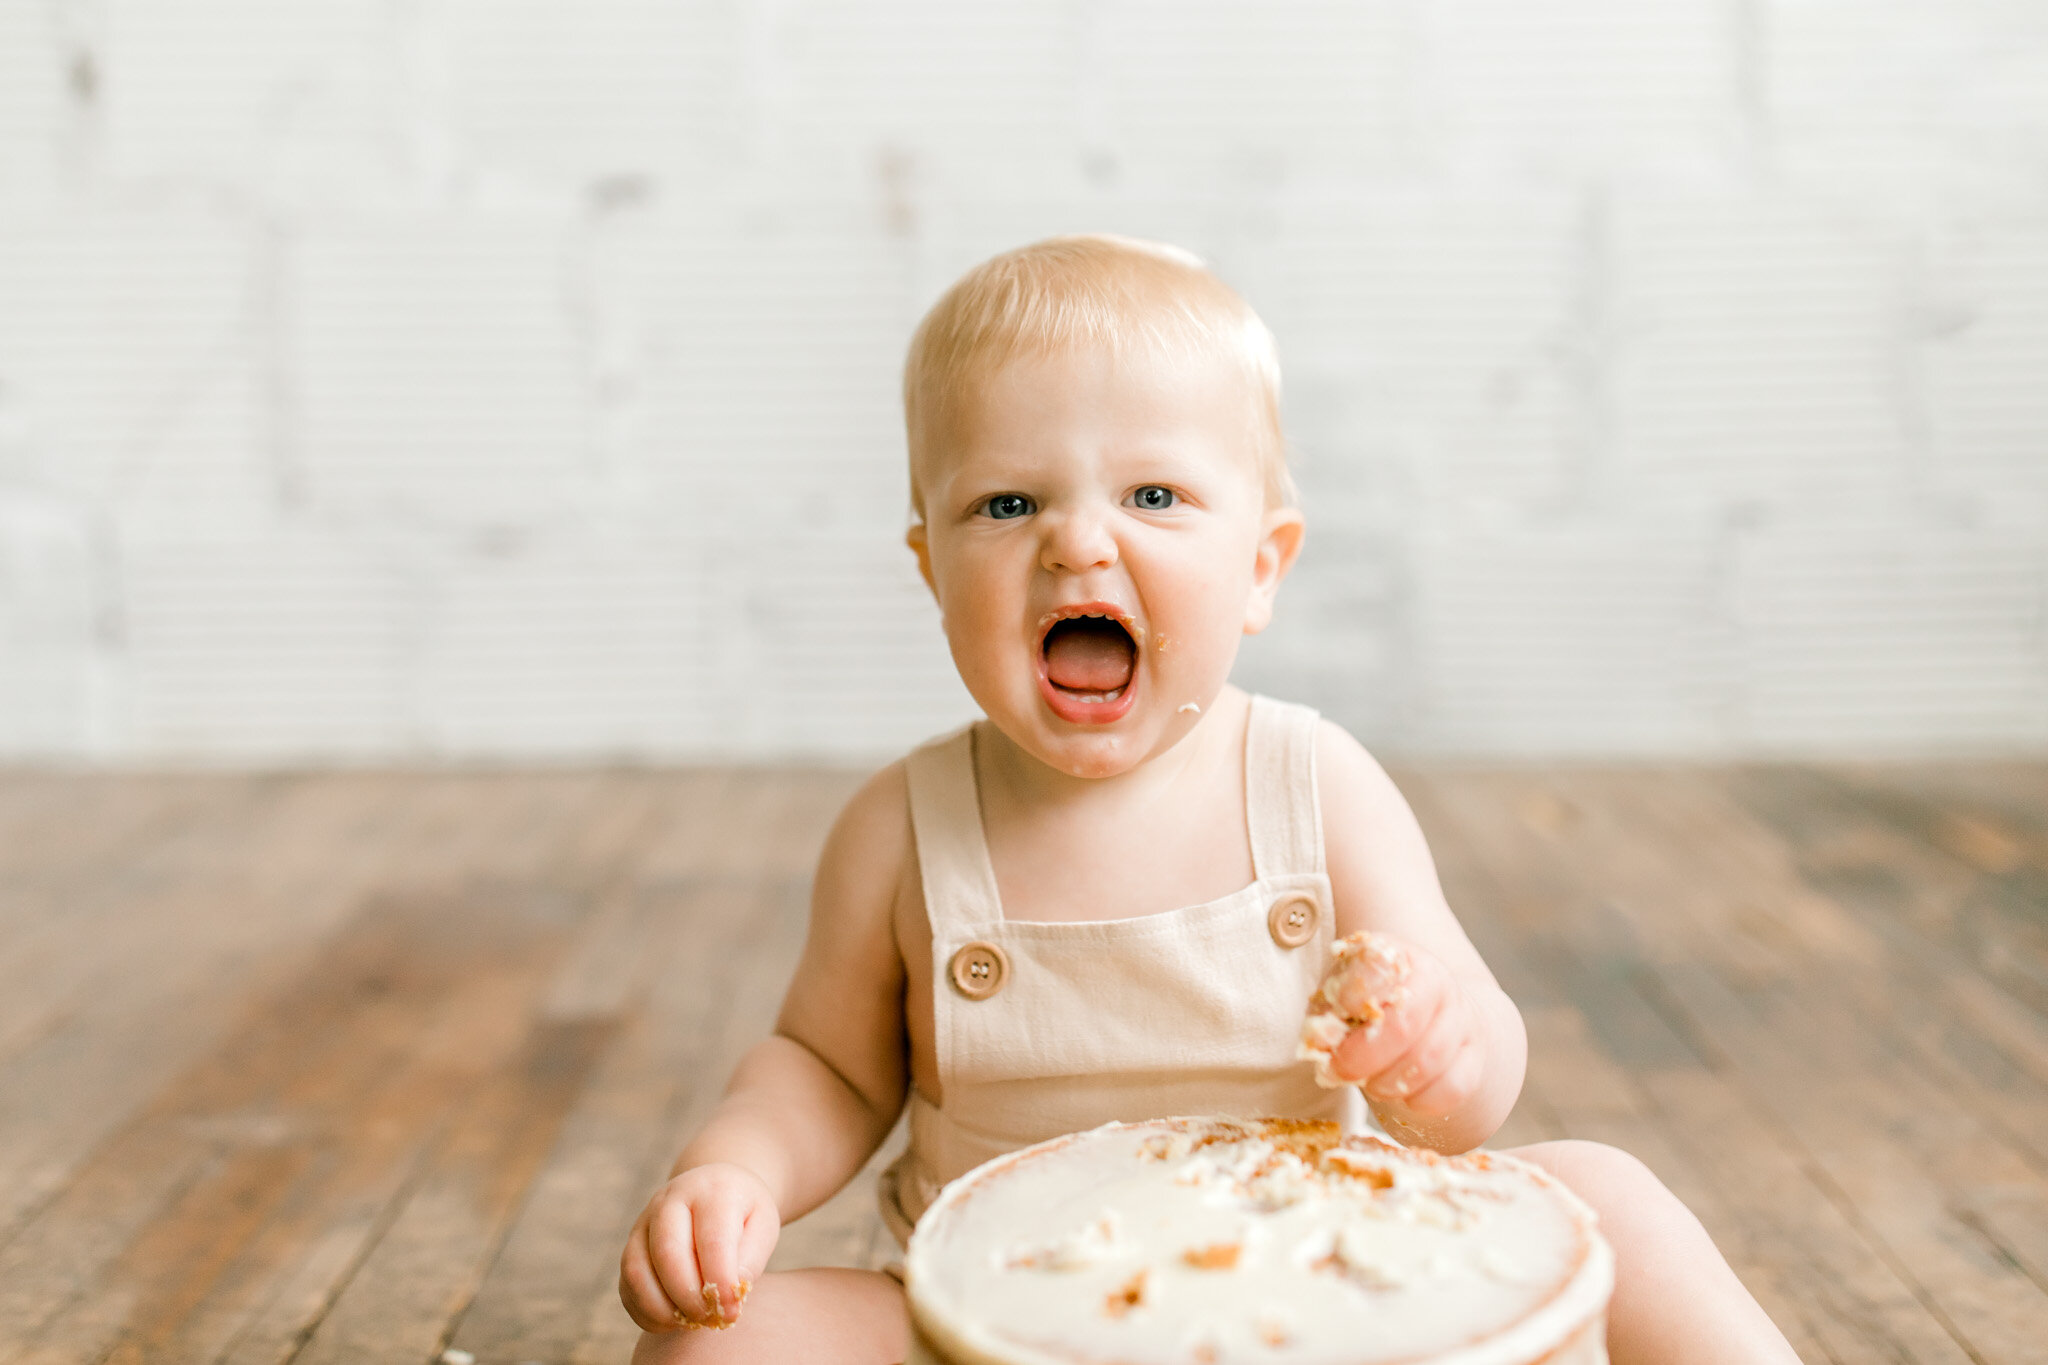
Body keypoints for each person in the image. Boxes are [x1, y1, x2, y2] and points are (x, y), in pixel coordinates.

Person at [619, 235, 1800, 1364]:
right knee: (715, 1340)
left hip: (1325, 1302)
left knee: (1609, 1198)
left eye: (1153, 496)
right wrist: (735, 1173)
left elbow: (1474, 1073)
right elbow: (824, 1070)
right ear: (930, 566)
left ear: (1260, 567)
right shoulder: (900, 829)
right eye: (1008, 505)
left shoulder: (1315, 785)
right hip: (997, 1326)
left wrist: (1436, 1052)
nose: (1078, 543)